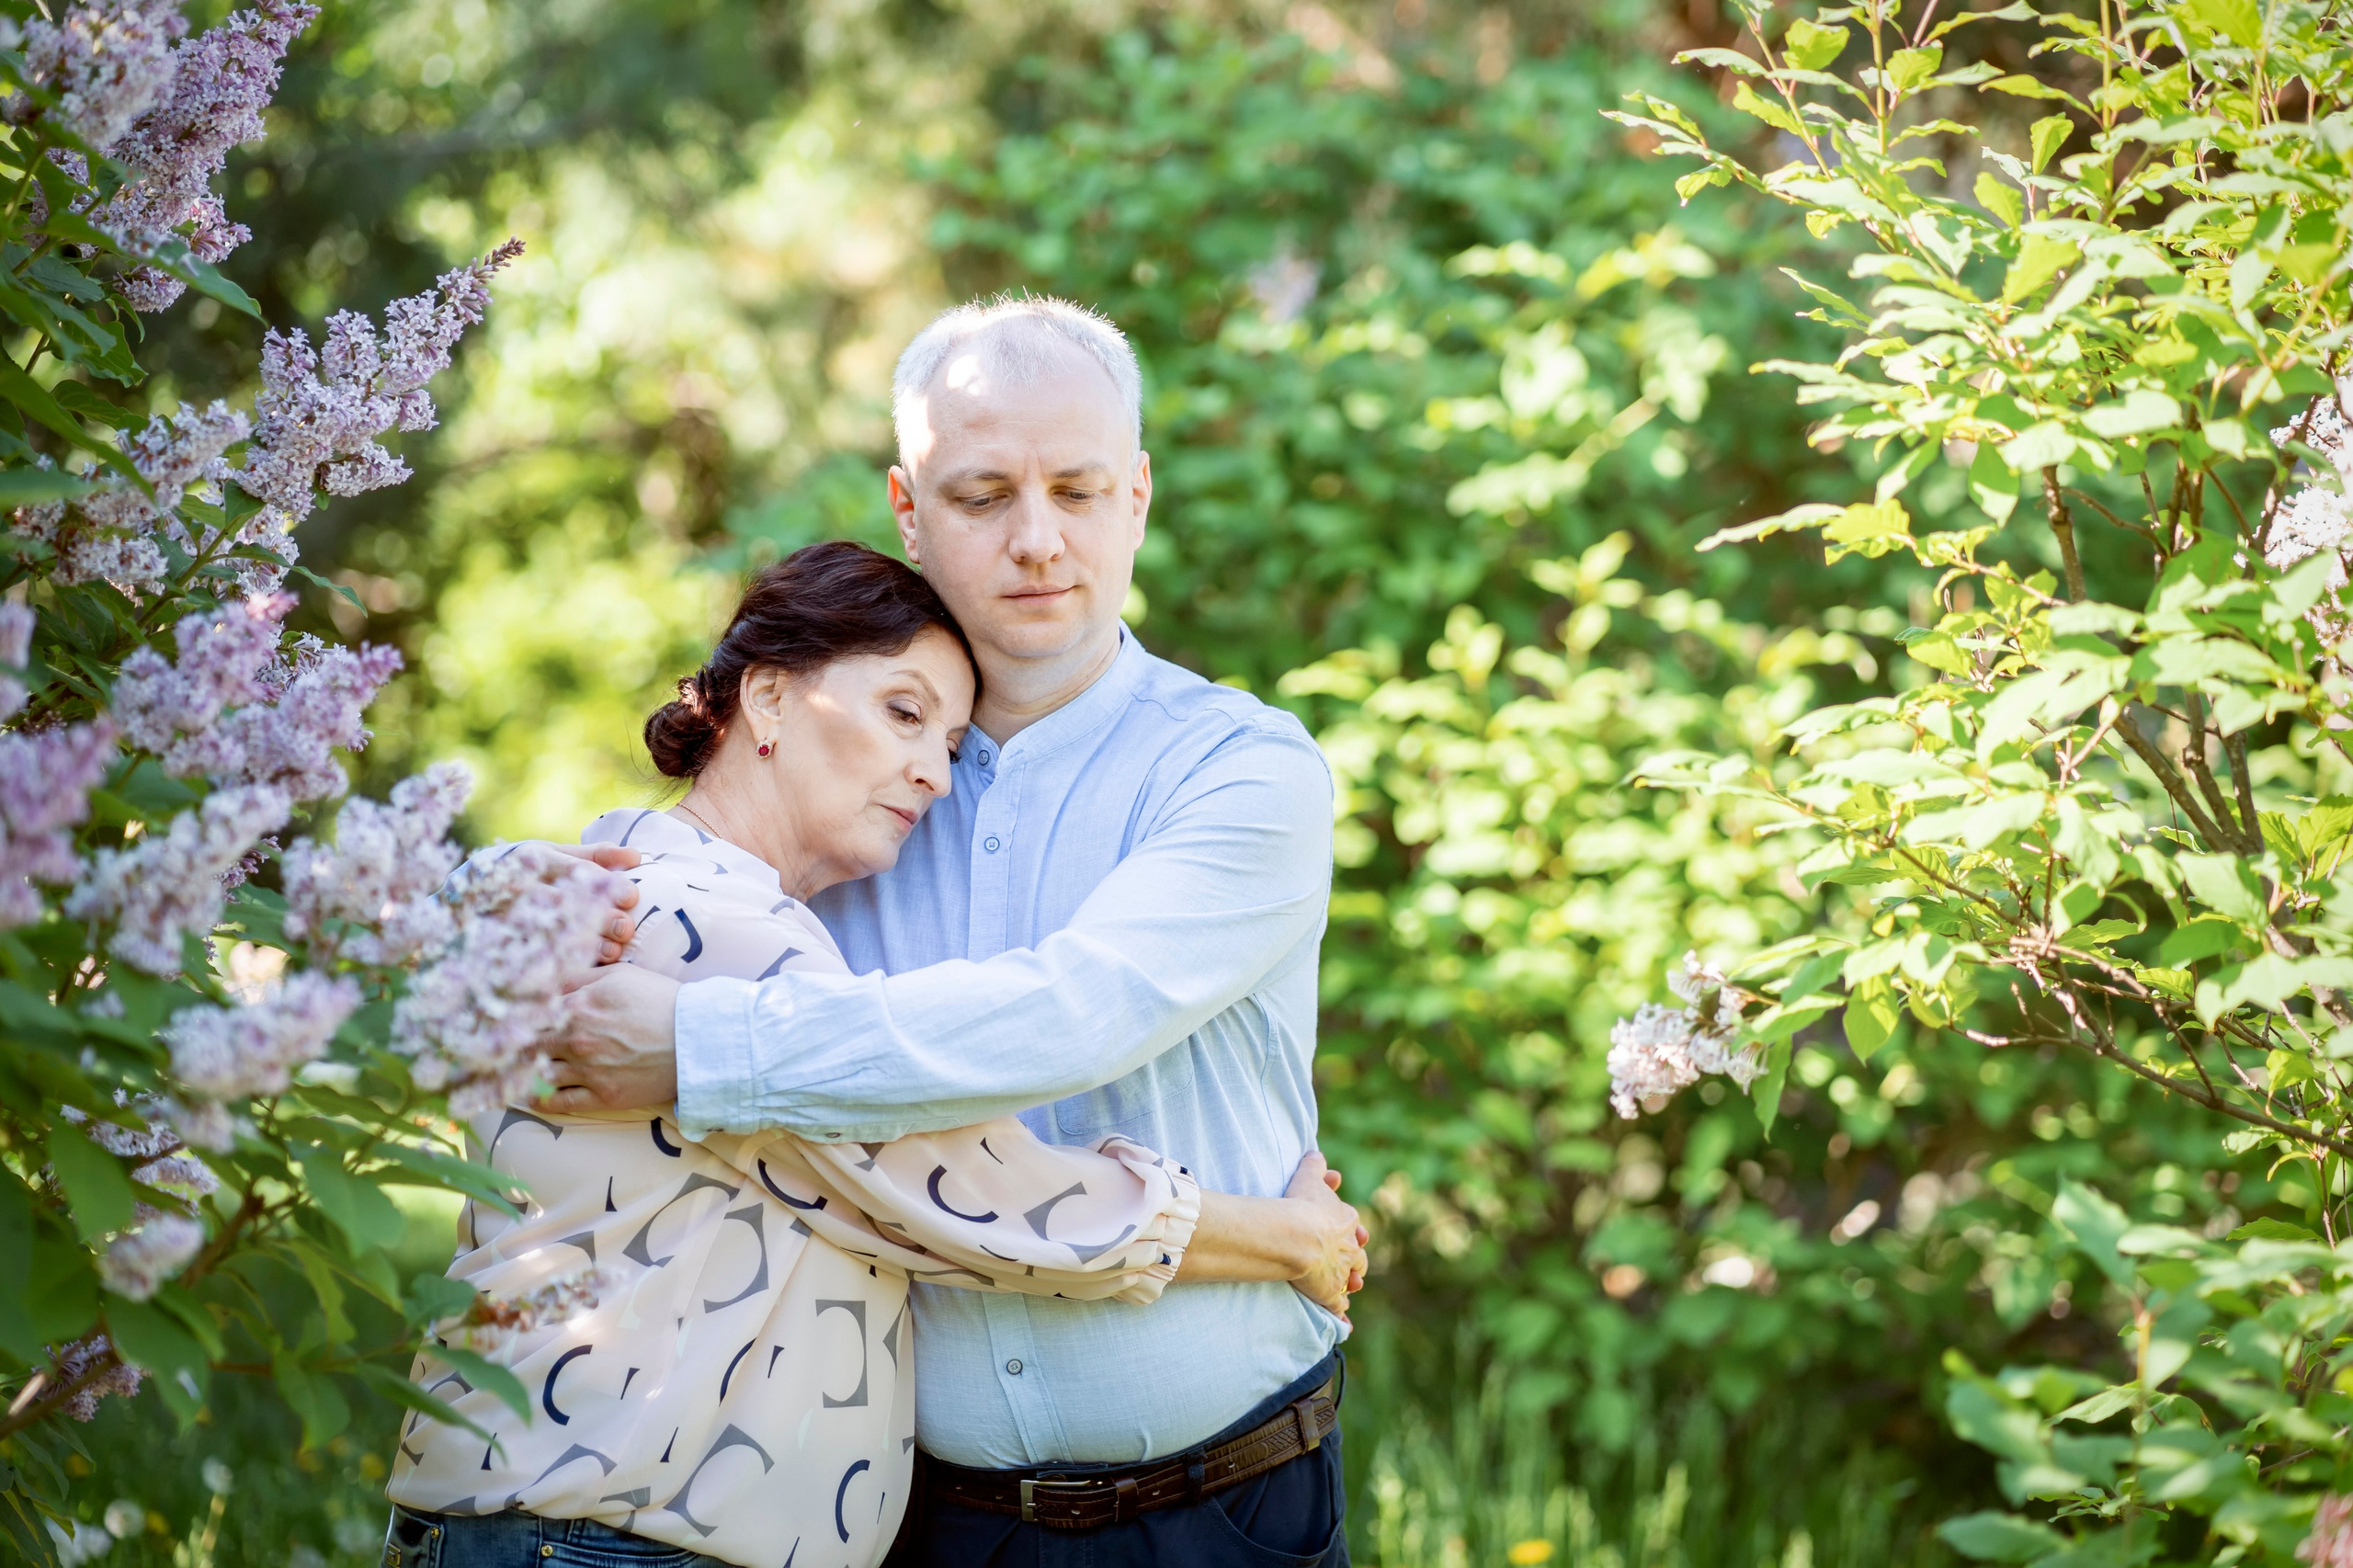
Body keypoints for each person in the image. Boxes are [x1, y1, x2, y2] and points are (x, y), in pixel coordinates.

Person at [543, 295, 1357, 1566]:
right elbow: (671, 888)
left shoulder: (1242, 772)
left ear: (1137, 497)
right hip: (928, 1523)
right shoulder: (845, 798)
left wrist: (704, 1048)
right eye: (983, 496)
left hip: (1228, 1508)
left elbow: (1075, 1014)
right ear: (910, 508)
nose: (1039, 540)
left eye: (1079, 490)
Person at [381, 543, 1365, 1568]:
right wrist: (1291, 1239)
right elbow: (982, 1201)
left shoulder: (605, 887)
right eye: (903, 713)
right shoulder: (701, 930)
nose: (935, 772)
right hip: (599, 1543)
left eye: (947, 738)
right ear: (767, 698)